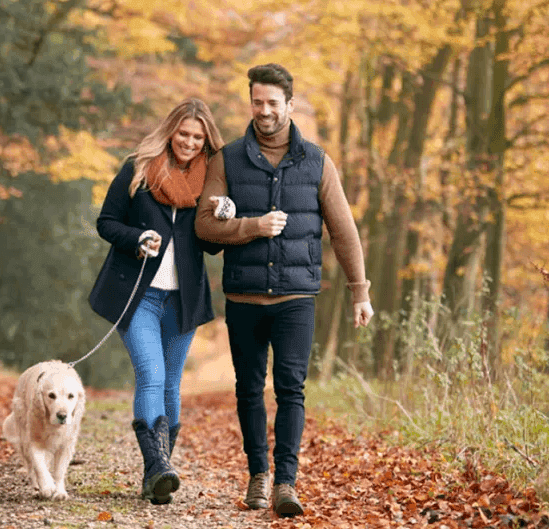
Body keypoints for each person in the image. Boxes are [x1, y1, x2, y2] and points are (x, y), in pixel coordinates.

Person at [194, 63, 374, 517]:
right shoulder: (227, 159)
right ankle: (258, 475)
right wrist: (252, 227)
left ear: (289, 106)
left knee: (291, 388)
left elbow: (344, 231)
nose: (265, 111)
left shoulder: (317, 162)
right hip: (244, 298)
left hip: (297, 298)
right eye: (258, 102)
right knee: (249, 389)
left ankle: (286, 483)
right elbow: (202, 227)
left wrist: (360, 291)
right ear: (250, 102)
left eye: (274, 103)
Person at [89, 98, 226, 505]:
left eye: (197, 137)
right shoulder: (139, 168)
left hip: (182, 301)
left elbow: (213, 248)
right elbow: (106, 222)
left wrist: (220, 215)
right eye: (183, 133)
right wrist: (137, 239)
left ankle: (156, 475)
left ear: (206, 142)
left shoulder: (211, 182)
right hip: (138, 297)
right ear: (170, 131)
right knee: (150, 374)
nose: (189, 142)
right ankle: (158, 468)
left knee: (171, 383)